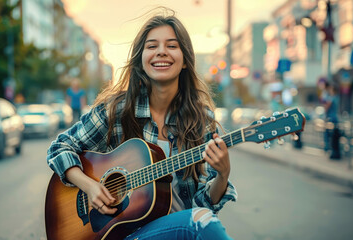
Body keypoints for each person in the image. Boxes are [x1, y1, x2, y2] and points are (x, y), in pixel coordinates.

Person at [47, 10, 237, 239]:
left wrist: (223, 175)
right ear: (141, 60)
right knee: (202, 222)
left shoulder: (201, 121)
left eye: (172, 45)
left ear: (185, 60)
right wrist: (89, 186)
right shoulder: (117, 110)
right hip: (122, 234)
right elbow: (59, 148)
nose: (161, 52)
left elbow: (203, 204)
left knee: (202, 219)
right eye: (152, 46)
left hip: (179, 232)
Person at [324, 83, 341, 159]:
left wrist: (325, 109)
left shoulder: (331, 98)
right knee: (335, 135)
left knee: (328, 135)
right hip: (335, 118)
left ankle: (328, 149)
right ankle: (334, 150)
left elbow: (327, 106)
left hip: (330, 118)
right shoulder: (337, 97)